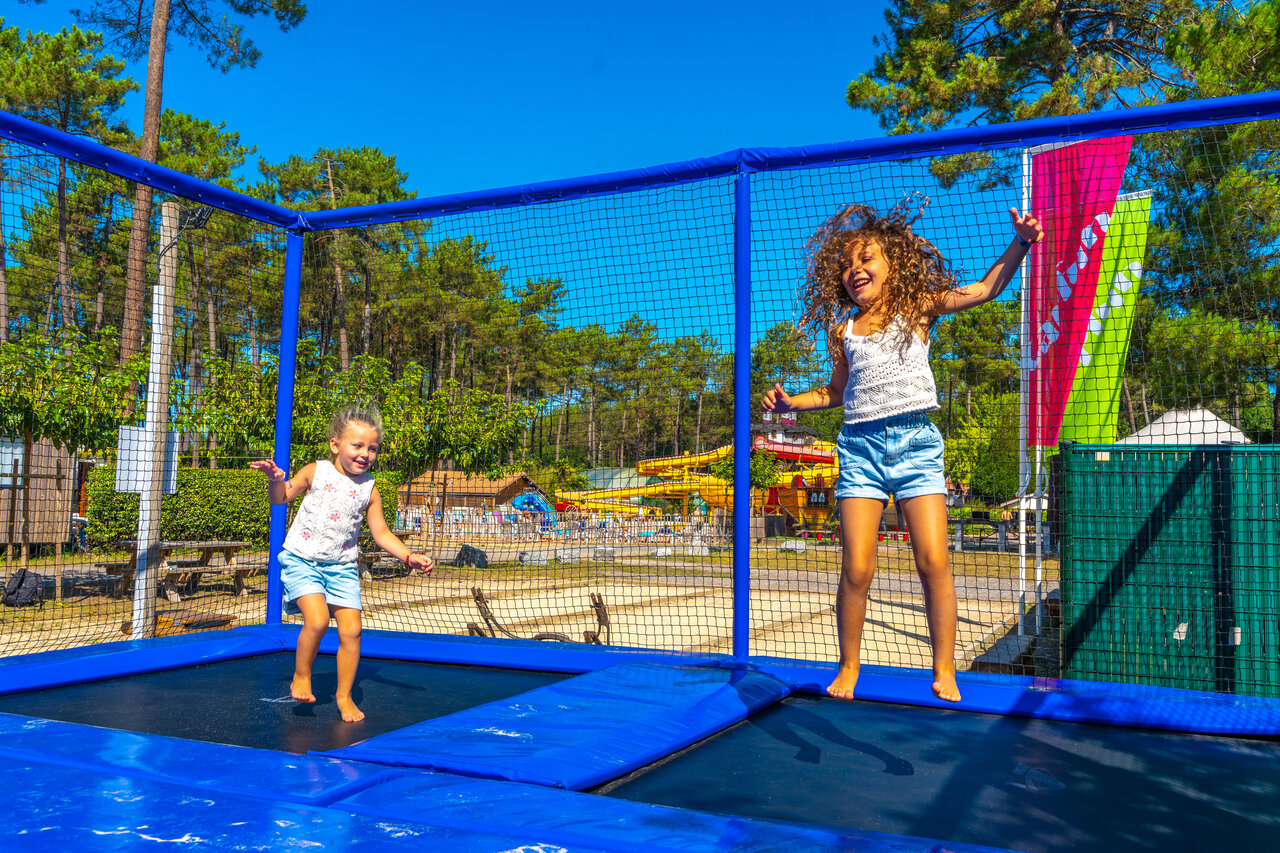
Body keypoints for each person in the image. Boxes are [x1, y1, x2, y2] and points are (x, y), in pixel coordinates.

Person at [762, 201, 1043, 703]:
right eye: (847, 266)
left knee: (933, 559)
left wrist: (1020, 242)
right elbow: (835, 392)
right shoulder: (842, 330)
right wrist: (792, 403)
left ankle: (943, 667)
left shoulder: (918, 308)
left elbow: (985, 289)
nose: (855, 272)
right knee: (858, 567)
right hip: (860, 447)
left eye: (866, 260)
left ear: (895, 264)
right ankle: (849, 665)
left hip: (915, 442)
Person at [249, 403, 434, 722]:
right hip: (302, 560)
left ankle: (344, 696)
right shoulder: (315, 471)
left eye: (372, 448)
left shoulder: (370, 489)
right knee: (318, 620)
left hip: (342, 568)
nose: (365, 453)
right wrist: (275, 479)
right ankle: (302, 675)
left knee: (352, 630)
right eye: (357, 445)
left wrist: (409, 556)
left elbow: (381, 533)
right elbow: (280, 498)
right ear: (336, 444)